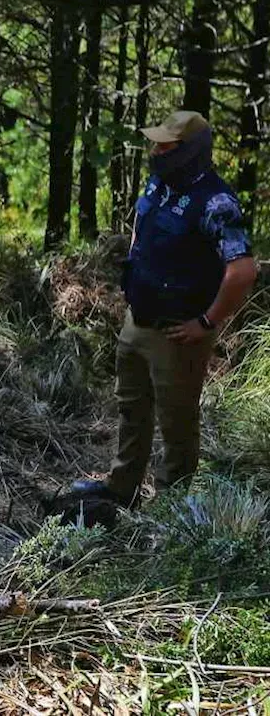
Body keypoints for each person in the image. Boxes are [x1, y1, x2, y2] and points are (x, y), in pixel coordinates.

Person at [70, 111, 256, 509]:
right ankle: (122, 490)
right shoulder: (159, 183)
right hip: (138, 319)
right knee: (131, 408)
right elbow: (142, 221)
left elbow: (243, 270)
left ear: (189, 151)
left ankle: (172, 512)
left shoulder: (217, 202)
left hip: (178, 332)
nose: (155, 151)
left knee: (177, 423)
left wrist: (207, 322)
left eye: (164, 145)